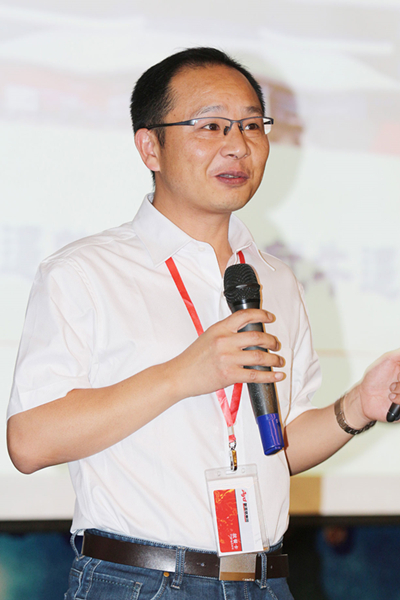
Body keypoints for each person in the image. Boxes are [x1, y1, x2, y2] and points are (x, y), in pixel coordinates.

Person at [6, 47, 400, 600]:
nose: (237, 145)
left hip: (263, 581)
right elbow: (29, 442)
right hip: (141, 582)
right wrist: (182, 375)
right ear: (150, 147)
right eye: (212, 126)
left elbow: (276, 448)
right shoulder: (85, 272)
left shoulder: (274, 279)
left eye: (251, 125)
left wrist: (356, 407)